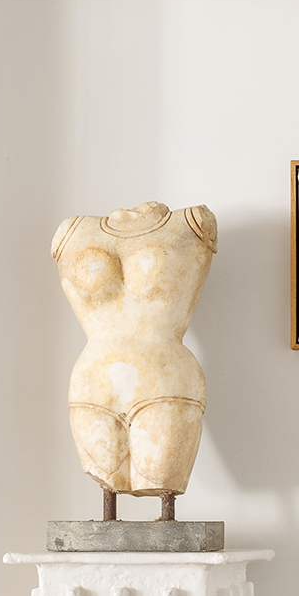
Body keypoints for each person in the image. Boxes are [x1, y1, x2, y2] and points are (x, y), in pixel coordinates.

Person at [52, 200, 216, 509]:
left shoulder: (191, 222)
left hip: (165, 381)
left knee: (162, 478)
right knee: (106, 482)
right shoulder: (72, 230)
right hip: (93, 384)